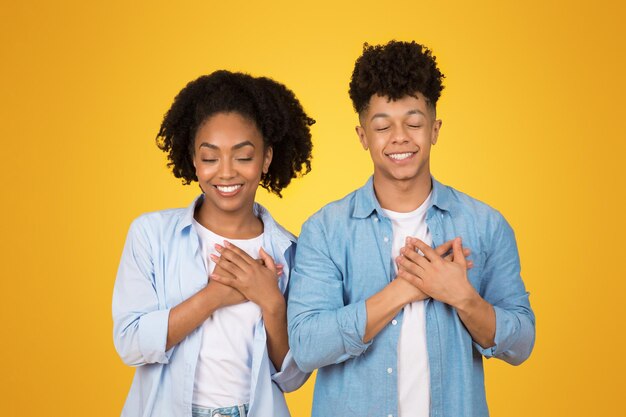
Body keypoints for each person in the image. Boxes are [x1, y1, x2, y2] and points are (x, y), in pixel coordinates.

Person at [287, 40, 535, 417]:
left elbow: (521, 343)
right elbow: (306, 347)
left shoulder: (485, 225)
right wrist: (404, 289)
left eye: (414, 122)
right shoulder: (325, 230)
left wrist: (462, 297)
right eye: (383, 126)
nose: (400, 137)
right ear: (362, 136)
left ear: (434, 130)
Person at [112, 70, 314, 417]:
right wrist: (214, 296)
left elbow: (293, 377)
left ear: (266, 159)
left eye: (243, 156)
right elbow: (130, 343)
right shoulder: (151, 235)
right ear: (193, 159)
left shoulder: (290, 251)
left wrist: (271, 303)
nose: (225, 172)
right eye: (209, 157)